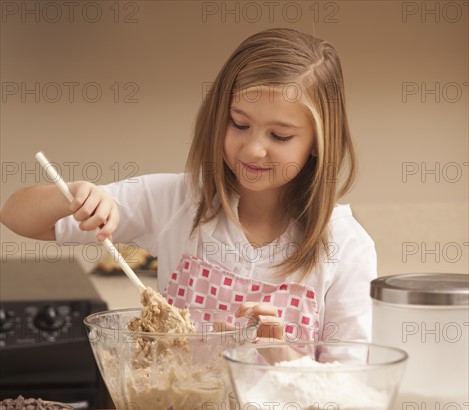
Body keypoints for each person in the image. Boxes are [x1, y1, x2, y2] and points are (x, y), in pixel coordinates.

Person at [0, 28, 376, 342]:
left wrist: (280, 359)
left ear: (317, 145)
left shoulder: (346, 246)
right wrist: (75, 197)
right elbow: (17, 216)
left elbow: (350, 385)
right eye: (239, 124)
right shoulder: (178, 202)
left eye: (280, 135)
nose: (253, 148)